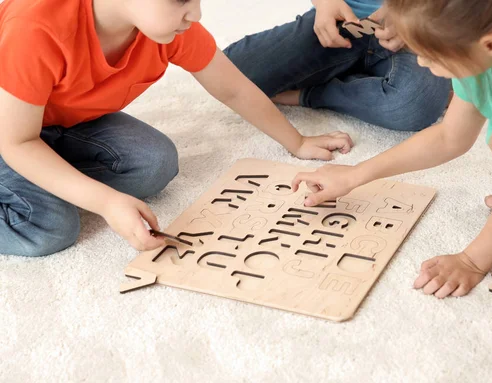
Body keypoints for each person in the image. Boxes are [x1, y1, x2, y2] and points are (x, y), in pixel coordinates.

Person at [292, 0, 492, 372]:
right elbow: (449, 138)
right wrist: (355, 174)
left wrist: (472, 261)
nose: (421, 64)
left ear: (491, 45)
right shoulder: (484, 42)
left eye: (428, 54)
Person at [0, 0, 353, 257]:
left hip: (54, 123)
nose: (196, 13)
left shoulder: (169, 29)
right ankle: (43, 184)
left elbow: (231, 87)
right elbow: (17, 141)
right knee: (49, 227)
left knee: (155, 162)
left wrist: (298, 141)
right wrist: (106, 202)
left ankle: (47, 176)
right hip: (11, 132)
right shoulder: (36, 26)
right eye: (180, 0)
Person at [224, 0, 451, 132]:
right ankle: (363, 79)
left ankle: (308, 93)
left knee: (413, 104)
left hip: (419, 26)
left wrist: (415, 12)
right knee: (231, 76)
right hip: (342, 19)